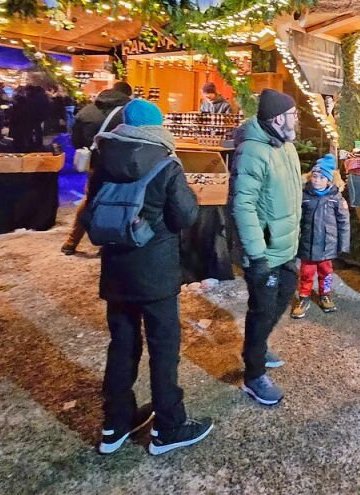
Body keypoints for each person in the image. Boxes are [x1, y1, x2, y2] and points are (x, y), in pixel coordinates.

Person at [83, 98, 212, 455]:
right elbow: (184, 216)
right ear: (158, 127)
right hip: (155, 274)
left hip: (116, 271)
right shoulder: (166, 163)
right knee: (163, 347)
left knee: (121, 345)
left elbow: (89, 211)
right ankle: (168, 426)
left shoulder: (104, 159)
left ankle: (115, 424)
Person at [230, 88, 302, 405]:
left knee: (283, 296)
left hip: (285, 246)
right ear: (277, 119)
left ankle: (255, 347)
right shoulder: (252, 152)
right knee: (262, 310)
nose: (297, 120)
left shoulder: (286, 147)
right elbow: (242, 205)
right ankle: (254, 374)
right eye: (293, 115)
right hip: (264, 250)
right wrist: (256, 255)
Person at [62, 82, 133, 255]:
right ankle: (108, 241)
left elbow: (75, 141)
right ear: (127, 95)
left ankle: (71, 242)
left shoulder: (86, 110)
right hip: (120, 164)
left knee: (90, 199)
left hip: (95, 164)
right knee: (117, 202)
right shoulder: (127, 113)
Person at [291, 153, 350, 319]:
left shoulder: (335, 198)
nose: (316, 180)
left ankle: (326, 294)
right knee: (306, 273)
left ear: (329, 181)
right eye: (314, 176)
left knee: (326, 273)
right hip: (308, 245)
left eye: (321, 177)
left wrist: (343, 244)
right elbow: (296, 219)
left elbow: (344, 222)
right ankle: (304, 297)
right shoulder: (304, 197)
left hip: (327, 245)